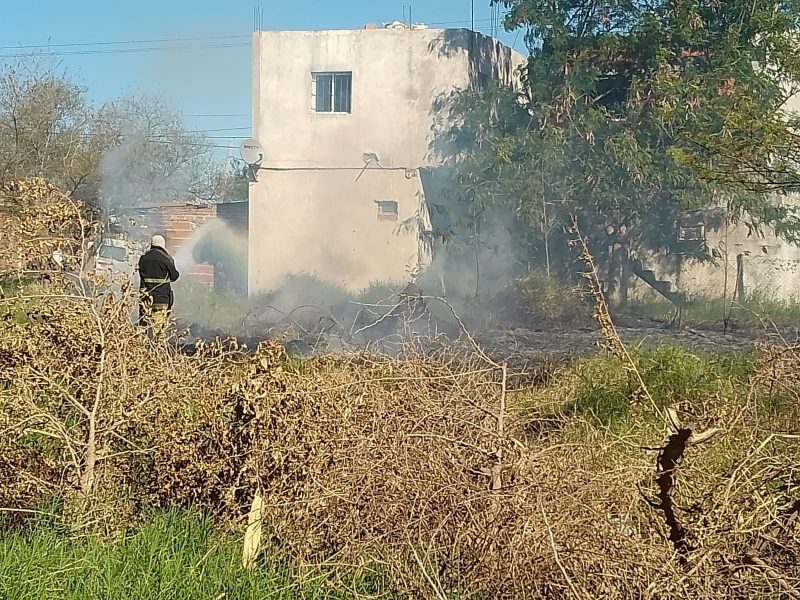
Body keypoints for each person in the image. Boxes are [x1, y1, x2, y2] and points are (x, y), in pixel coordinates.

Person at [137, 234, 179, 333]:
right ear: (162, 245)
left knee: (143, 326)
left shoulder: (143, 258)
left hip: (145, 298)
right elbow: (174, 276)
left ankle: (139, 346)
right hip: (161, 298)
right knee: (158, 330)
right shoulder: (167, 259)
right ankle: (156, 347)